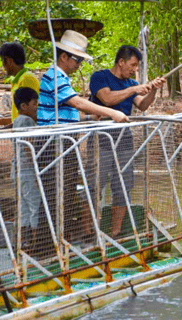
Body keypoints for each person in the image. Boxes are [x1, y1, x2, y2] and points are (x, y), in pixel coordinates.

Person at [36, 30, 128, 246]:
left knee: (66, 192)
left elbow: (67, 110)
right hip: (52, 145)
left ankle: (59, 241)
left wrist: (89, 117)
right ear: (63, 57)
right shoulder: (54, 75)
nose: (79, 64)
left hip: (65, 143)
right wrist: (111, 112)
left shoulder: (62, 78)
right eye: (76, 59)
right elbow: (76, 102)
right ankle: (48, 245)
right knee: (54, 194)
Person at [89, 45, 165, 238]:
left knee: (123, 186)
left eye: (137, 66)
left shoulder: (130, 83)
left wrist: (153, 90)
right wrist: (134, 88)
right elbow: (107, 99)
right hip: (101, 140)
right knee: (93, 186)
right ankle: (88, 232)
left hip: (124, 140)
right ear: (120, 62)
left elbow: (142, 104)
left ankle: (115, 232)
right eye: (132, 65)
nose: (134, 70)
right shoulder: (100, 77)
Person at [11, 87, 41, 251]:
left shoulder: (16, 120)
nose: (37, 106)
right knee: (35, 204)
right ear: (24, 106)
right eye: (35, 103)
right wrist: (36, 169)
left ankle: (21, 241)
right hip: (27, 170)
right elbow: (30, 147)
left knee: (23, 205)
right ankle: (36, 241)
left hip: (16, 170)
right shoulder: (28, 121)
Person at [0, 42, 40, 123]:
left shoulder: (27, 79)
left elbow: (29, 114)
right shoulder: (17, 81)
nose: (3, 66)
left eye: (3, 62)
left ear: (9, 60)